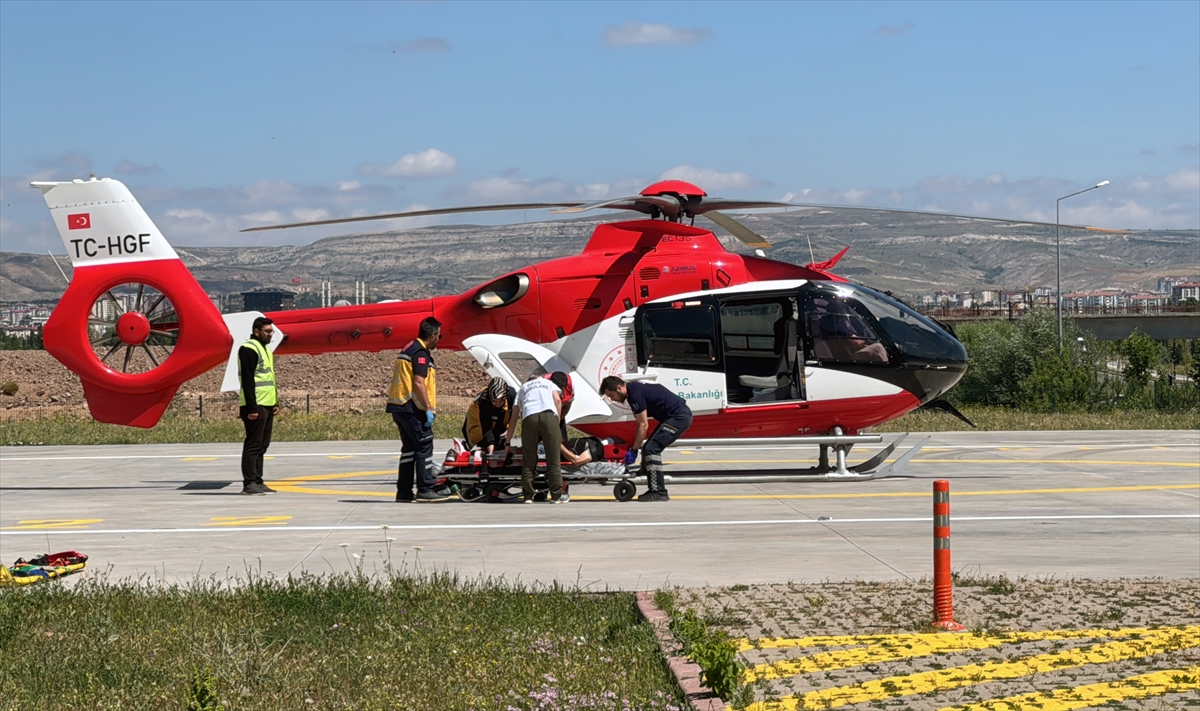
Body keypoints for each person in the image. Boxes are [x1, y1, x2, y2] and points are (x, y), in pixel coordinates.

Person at [599, 376, 692, 502]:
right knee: (648, 447)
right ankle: (647, 474)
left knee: (651, 449)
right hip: (675, 415)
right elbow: (640, 425)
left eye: (611, 395)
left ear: (619, 388)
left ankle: (658, 491)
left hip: (678, 417)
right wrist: (634, 448)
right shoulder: (634, 389)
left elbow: (643, 425)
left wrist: (634, 450)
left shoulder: (635, 395)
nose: (612, 399)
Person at [387, 317, 449, 502]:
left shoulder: (408, 348)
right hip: (412, 407)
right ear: (432, 336)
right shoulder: (420, 353)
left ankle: (404, 491)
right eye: (439, 336)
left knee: (409, 451)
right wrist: (428, 408)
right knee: (424, 446)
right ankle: (425, 488)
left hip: (399, 406)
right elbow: (418, 382)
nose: (439, 339)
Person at [504, 372, 569, 503]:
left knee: (529, 459)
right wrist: (555, 423)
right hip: (549, 416)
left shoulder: (523, 388)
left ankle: (528, 495)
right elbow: (557, 400)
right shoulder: (548, 383)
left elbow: (514, 416)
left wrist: (507, 442)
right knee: (553, 458)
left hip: (529, 417)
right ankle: (556, 495)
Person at [238, 317, 278, 495]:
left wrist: (275, 403)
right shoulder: (248, 349)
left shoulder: (265, 350)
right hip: (255, 405)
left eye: (271, 331)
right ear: (256, 331)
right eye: (267, 331)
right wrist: (252, 408)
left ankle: (258, 480)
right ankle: (249, 483)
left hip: (267, 403)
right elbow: (247, 381)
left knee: (263, 445)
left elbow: (269, 380)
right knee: (253, 444)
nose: (271, 334)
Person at [462, 377, 516, 454]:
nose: (497, 404)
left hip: (501, 419)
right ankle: (470, 446)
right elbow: (486, 427)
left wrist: (508, 436)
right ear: (490, 398)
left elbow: (514, 418)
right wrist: (491, 453)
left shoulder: (512, 396)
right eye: (494, 401)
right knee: (480, 436)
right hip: (478, 425)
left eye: (501, 401)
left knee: (501, 440)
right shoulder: (483, 401)